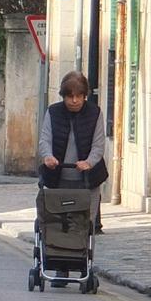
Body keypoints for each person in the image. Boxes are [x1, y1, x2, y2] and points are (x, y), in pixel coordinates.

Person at [39, 70, 108, 234]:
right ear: (63, 96)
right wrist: (48, 156)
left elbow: (98, 144)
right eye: (70, 96)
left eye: (79, 96)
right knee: (59, 224)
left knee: (85, 226)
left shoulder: (94, 113)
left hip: (87, 181)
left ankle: (84, 257)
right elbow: (45, 139)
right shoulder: (53, 112)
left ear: (85, 96)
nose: (74, 100)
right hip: (59, 179)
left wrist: (89, 162)